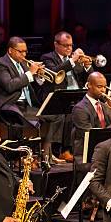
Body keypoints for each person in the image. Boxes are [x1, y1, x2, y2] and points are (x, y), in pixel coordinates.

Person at [0, 37, 64, 163]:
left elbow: (32, 84)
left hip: (26, 105)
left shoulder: (23, 63)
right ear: (10, 50)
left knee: (57, 115)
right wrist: (30, 73)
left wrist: (39, 76)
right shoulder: (0, 64)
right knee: (17, 117)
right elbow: (9, 85)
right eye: (21, 51)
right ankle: (17, 158)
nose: (24, 55)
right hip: (8, 104)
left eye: (25, 51)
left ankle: (46, 154)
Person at [40, 31, 94, 162]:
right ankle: (62, 150)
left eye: (71, 45)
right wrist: (72, 61)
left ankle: (82, 149)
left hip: (76, 95)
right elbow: (54, 73)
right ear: (56, 44)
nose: (69, 48)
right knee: (70, 113)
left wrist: (87, 67)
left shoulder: (75, 61)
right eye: (65, 45)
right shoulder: (47, 57)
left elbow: (89, 78)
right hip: (57, 96)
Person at [71, 72, 111, 161]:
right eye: (99, 86)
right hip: (87, 155)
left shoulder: (105, 106)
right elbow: (91, 136)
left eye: (105, 87)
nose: (103, 90)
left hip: (105, 151)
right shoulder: (80, 108)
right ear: (89, 85)